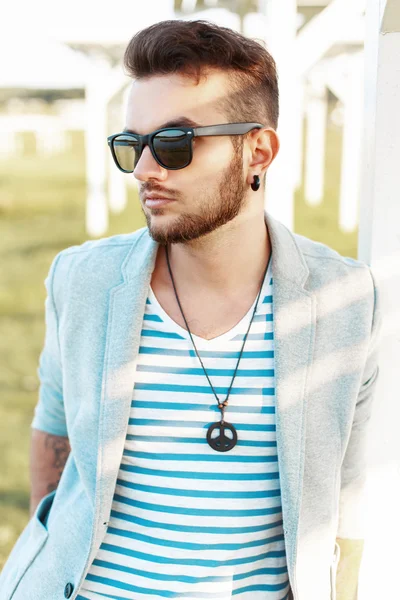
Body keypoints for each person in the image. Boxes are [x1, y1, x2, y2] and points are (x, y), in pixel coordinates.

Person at [0, 19, 381, 600]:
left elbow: (345, 503)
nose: (147, 171)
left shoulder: (346, 302)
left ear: (258, 150)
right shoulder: (79, 281)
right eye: (133, 146)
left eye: (175, 145)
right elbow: (54, 443)